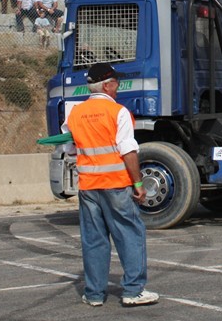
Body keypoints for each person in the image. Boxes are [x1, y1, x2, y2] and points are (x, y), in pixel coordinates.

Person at [62, 62, 158, 308]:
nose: (118, 87)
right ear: (107, 85)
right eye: (116, 83)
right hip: (115, 184)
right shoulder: (118, 112)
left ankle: (94, 294)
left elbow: (70, 148)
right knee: (129, 235)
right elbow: (128, 150)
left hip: (88, 186)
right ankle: (133, 291)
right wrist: (138, 183)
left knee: (94, 239)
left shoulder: (75, 113)